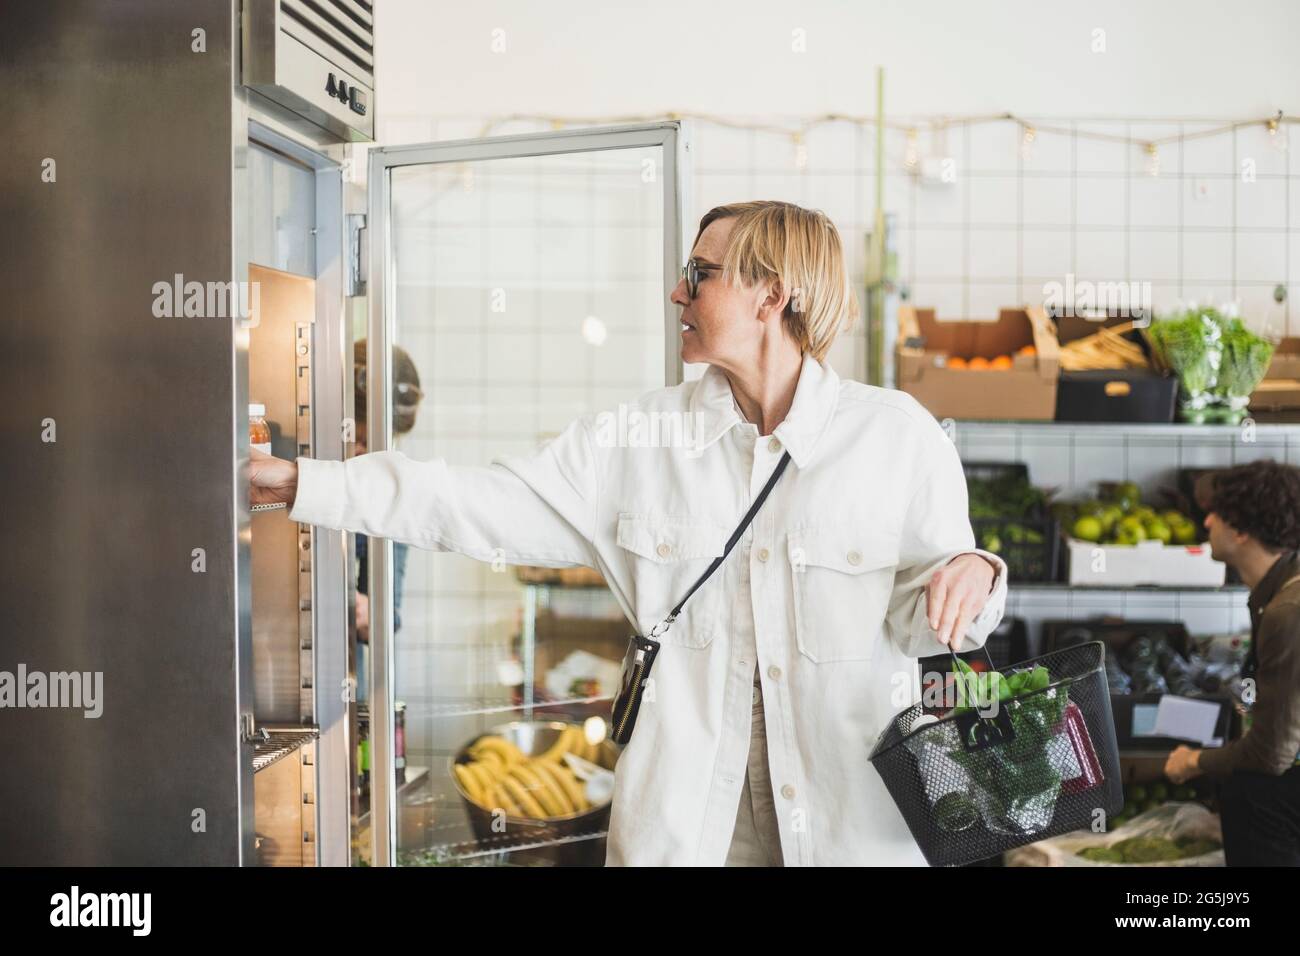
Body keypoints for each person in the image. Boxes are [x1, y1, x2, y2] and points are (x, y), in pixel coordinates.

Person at [251, 200, 1007, 866]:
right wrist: (306, 484)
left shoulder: (896, 438)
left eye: (701, 273)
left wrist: (975, 572)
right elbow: (477, 501)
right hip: (687, 838)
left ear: (771, 294)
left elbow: (930, 622)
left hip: (850, 830)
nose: (678, 291)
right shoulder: (641, 441)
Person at [1164, 460, 1300, 866]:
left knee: (1248, 790)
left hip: (1283, 793)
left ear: (1240, 531)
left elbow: (1270, 755)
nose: (1206, 522)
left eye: (1216, 515)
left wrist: (1194, 762)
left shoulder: (1287, 613)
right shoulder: (1279, 591)